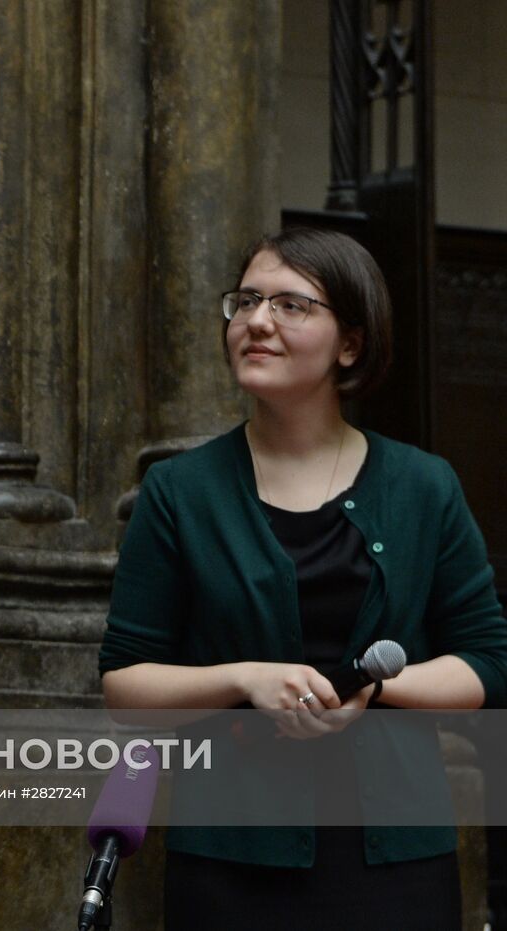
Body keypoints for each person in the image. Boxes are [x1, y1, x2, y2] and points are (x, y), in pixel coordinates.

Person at [99, 227, 507, 927]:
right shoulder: (178, 491)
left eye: (292, 304)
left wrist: (377, 688)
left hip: (398, 862)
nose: (257, 321)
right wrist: (247, 677)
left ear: (349, 342)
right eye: (247, 301)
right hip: (230, 859)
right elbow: (126, 684)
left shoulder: (423, 485)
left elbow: (488, 665)